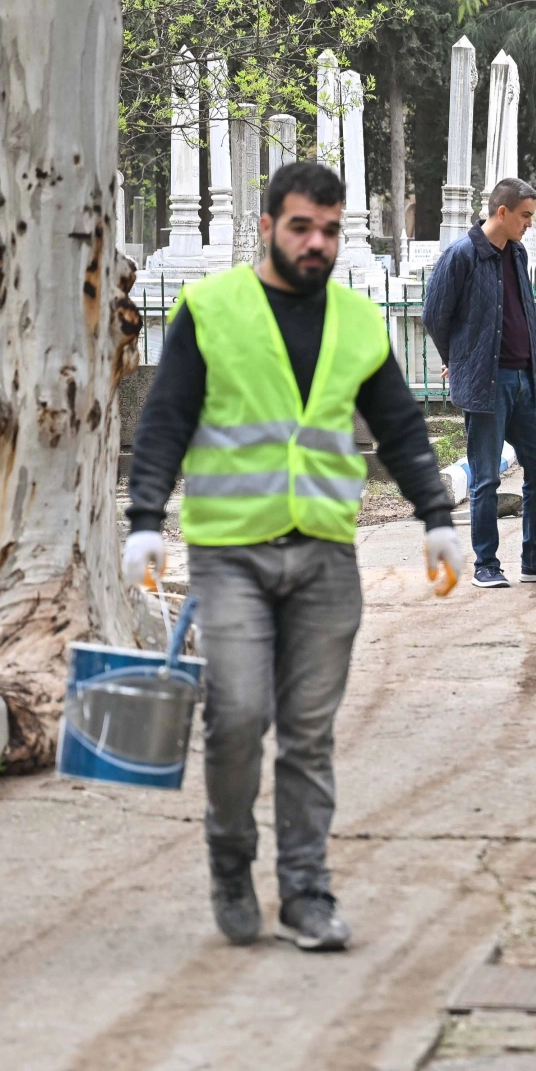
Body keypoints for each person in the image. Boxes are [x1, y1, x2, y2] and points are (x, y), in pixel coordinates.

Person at [122, 162, 462, 951]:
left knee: (308, 735)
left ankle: (307, 892)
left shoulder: (355, 320)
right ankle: (230, 861)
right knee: (239, 715)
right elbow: (165, 420)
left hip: (324, 556)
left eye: (331, 230)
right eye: (302, 226)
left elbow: (402, 428)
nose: (317, 243)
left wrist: (436, 518)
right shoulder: (213, 309)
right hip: (230, 553)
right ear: (269, 225)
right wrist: (144, 518)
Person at [423, 176, 536, 588]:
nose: (529, 223)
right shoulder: (462, 256)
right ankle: (486, 565)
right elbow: (434, 315)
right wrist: (457, 360)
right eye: (525, 215)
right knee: (486, 478)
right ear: (502, 212)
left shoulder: (517, 253)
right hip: (486, 383)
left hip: (526, 381)